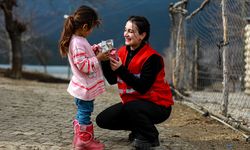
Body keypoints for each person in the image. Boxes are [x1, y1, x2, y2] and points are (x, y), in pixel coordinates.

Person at [96, 16, 174, 150]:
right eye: (125, 30)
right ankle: (140, 130)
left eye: (131, 31)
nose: (126, 34)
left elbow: (142, 87)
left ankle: (151, 136)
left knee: (131, 107)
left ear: (142, 35)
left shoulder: (152, 58)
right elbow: (112, 80)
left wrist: (121, 69)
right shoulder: (121, 52)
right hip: (133, 104)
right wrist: (104, 61)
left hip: (159, 106)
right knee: (103, 120)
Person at [58, 5, 109, 150]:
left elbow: (83, 55)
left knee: (83, 112)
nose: (91, 31)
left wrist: (95, 49)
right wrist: (98, 57)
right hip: (84, 88)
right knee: (85, 113)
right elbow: (83, 65)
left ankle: (81, 138)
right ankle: (84, 141)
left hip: (82, 86)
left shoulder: (77, 39)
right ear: (85, 26)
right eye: (92, 27)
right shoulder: (78, 42)